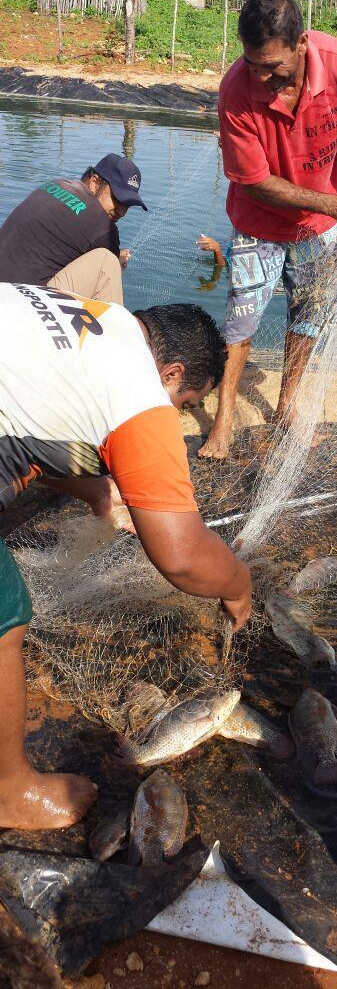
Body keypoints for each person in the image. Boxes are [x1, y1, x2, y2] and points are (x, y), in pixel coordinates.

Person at [0, 282, 252, 832]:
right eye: (183, 406)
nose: (177, 418)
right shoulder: (141, 395)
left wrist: (91, 489)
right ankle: (11, 791)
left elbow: (29, 405)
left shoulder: (101, 319)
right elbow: (182, 557)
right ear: (172, 373)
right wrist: (238, 584)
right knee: (6, 613)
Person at [198, 0, 337, 459]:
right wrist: (335, 206)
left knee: (309, 317)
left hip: (318, 228)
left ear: (300, 44)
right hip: (258, 223)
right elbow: (253, 182)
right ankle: (225, 419)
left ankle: (288, 407)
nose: (261, 75)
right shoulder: (237, 88)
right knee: (241, 320)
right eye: (252, 63)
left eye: (271, 65)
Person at [0, 153, 146, 306]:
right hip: (21, 305)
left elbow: (69, 240)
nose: (122, 212)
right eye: (118, 199)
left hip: (5, 288)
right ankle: (118, 329)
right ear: (94, 182)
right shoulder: (104, 228)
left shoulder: (56, 184)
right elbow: (105, 259)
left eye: (128, 204)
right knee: (107, 263)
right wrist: (117, 260)